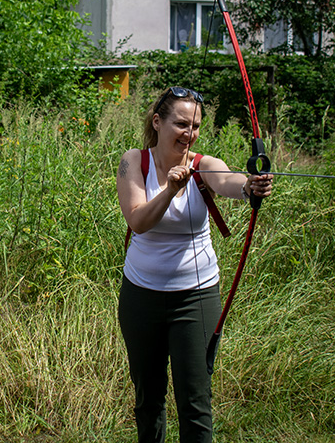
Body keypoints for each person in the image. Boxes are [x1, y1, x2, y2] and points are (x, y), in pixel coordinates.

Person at [115, 86, 273, 443]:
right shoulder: (133, 161)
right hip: (142, 297)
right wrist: (170, 189)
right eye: (182, 124)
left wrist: (249, 186)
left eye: (196, 126)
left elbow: (227, 179)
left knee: (196, 401)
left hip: (196, 299)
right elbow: (138, 221)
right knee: (148, 399)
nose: (189, 133)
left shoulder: (203, 165)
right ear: (158, 122)